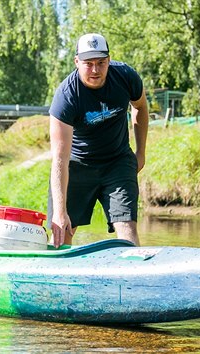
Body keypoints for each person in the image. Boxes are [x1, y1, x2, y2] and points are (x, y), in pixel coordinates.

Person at [48, 33, 149, 248]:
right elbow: (59, 159)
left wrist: (140, 153)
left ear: (109, 60)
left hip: (117, 161)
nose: (95, 70)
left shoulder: (125, 77)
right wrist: (59, 211)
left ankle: (132, 275)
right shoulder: (66, 96)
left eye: (101, 63)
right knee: (61, 232)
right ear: (77, 62)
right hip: (77, 164)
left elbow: (140, 106)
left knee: (127, 228)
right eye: (88, 64)